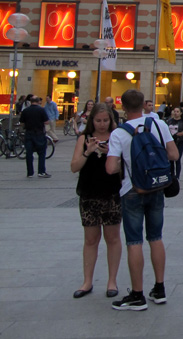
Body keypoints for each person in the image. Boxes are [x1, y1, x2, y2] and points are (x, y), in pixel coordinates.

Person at [106, 89, 179, 310]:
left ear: (123, 107)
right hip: (156, 187)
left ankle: (137, 295)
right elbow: (174, 155)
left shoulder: (118, 133)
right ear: (145, 104)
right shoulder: (160, 125)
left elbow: (110, 168)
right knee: (156, 237)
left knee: (134, 241)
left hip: (132, 190)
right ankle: (159, 289)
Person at [70, 103, 122, 298]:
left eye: (105, 121)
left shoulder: (117, 138)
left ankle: (112, 281)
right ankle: (87, 281)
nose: (102, 125)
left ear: (111, 121)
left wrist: (111, 153)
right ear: (92, 121)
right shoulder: (84, 139)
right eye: (98, 121)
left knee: (113, 238)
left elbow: (124, 167)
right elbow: (74, 167)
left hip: (111, 193)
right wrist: (88, 151)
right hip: (89, 194)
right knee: (90, 239)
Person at [20, 95, 50, 178]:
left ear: (30, 101)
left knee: (29, 153)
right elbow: (47, 122)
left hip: (29, 133)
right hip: (39, 133)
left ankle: (30, 173)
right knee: (41, 153)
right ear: (38, 101)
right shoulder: (41, 110)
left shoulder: (26, 111)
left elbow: (22, 122)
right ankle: (41, 171)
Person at [166, 107, 183, 179]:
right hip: (171, 142)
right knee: (171, 160)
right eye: (175, 111)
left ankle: (177, 176)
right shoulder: (169, 121)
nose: (176, 113)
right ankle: (172, 175)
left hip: (179, 142)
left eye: (177, 111)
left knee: (177, 159)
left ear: (180, 113)